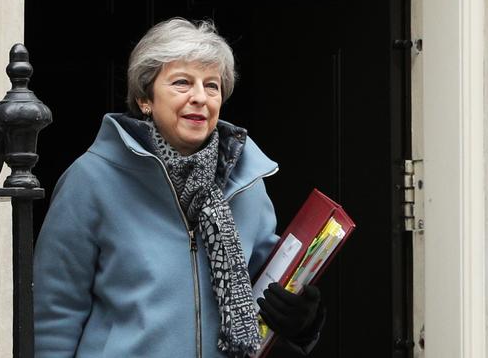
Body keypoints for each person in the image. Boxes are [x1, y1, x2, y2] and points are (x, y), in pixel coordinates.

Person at [34, 18, 325, 358]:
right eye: (182, 83)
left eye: (212, 86)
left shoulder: (247, 185)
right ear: (146, 98)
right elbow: (54, 316)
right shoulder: (91, 180)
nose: (200, 98)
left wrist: (303, 321)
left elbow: (268, 297)